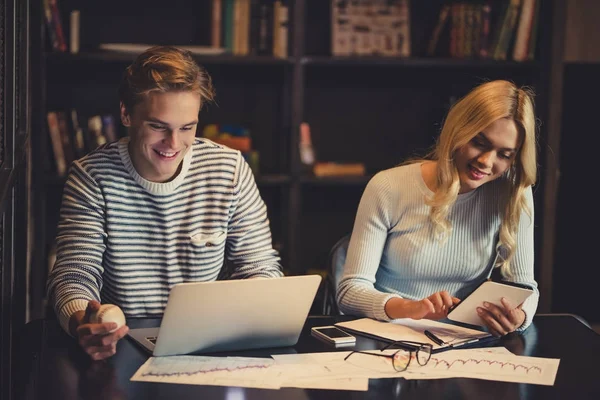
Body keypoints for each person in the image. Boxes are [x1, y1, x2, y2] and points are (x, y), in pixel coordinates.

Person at [47, 46, 283, 360]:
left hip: (207, 346)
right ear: (126, 114)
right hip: (120, 346)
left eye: (187, 128)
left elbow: (259, 267)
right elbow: (74, 275)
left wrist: (257, 301)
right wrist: (85, 326)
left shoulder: (229, 169)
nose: (173, 145)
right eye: (158, 127)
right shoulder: (92, 177)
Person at [337, 80, 539, 336]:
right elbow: (350, 291)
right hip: (389, 335)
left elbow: (524, 286)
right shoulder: (388, 186)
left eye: (504, 154)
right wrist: (411, 308)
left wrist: (518, 316)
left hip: (463, 340)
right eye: (480, 142)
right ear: (458, 130)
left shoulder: (513, 191)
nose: (486, 162)